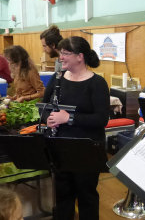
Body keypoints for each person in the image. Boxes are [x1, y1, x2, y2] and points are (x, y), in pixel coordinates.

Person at [43, 36, 110, 220]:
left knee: (86, 196)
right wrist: (48, 119)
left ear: (80, 56)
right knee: (63, 196)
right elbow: (44, 108)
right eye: (61, 53)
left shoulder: (97, 83)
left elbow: (101, 119)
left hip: (86, 149)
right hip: (60, 147)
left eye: (65, 53)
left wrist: (68, 118)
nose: (61, 57)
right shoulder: (57, 79)